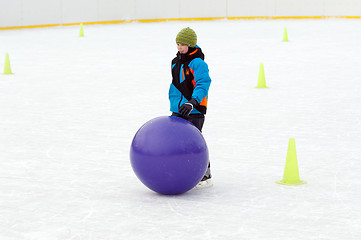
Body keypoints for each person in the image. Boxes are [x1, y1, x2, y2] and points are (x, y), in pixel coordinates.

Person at [168, 27, 212, 187]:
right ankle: (180, 171)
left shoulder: (198, 63)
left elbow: (203, 84)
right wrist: (175, 104)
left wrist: (193, 101)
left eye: (183, 44)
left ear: (191, 44)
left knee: (194, 142)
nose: (179, 47)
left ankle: (205, 176)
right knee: (174, 141)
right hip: (178, 108)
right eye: (178, 44)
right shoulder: (175, 62)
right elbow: (175, 85)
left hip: (194, 109)